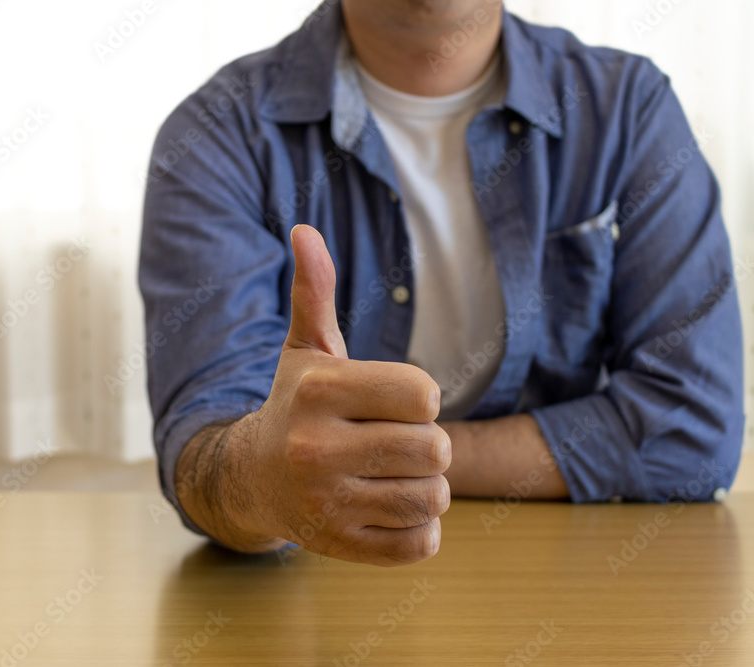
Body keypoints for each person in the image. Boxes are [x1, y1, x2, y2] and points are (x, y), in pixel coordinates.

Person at [138, 0, 745, 566]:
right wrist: (265, 479)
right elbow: (203, 444)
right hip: (315, 582)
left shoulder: (627, 109)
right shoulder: (216, 134)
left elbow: (690, 433)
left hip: (573, 574)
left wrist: (372, 461)